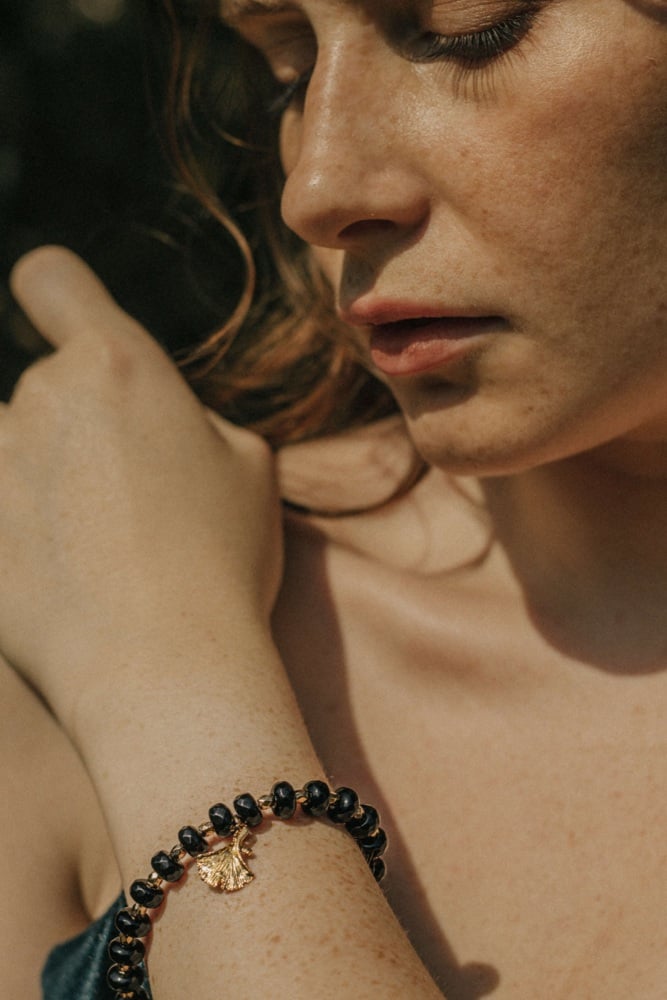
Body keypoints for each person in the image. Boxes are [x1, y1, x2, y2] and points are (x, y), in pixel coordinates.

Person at [2, 1, 666, 997]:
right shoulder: (71, 611)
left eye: (467, 27)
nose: (316, 186)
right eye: (289, 69)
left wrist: (174, 697)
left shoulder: (123, 638)